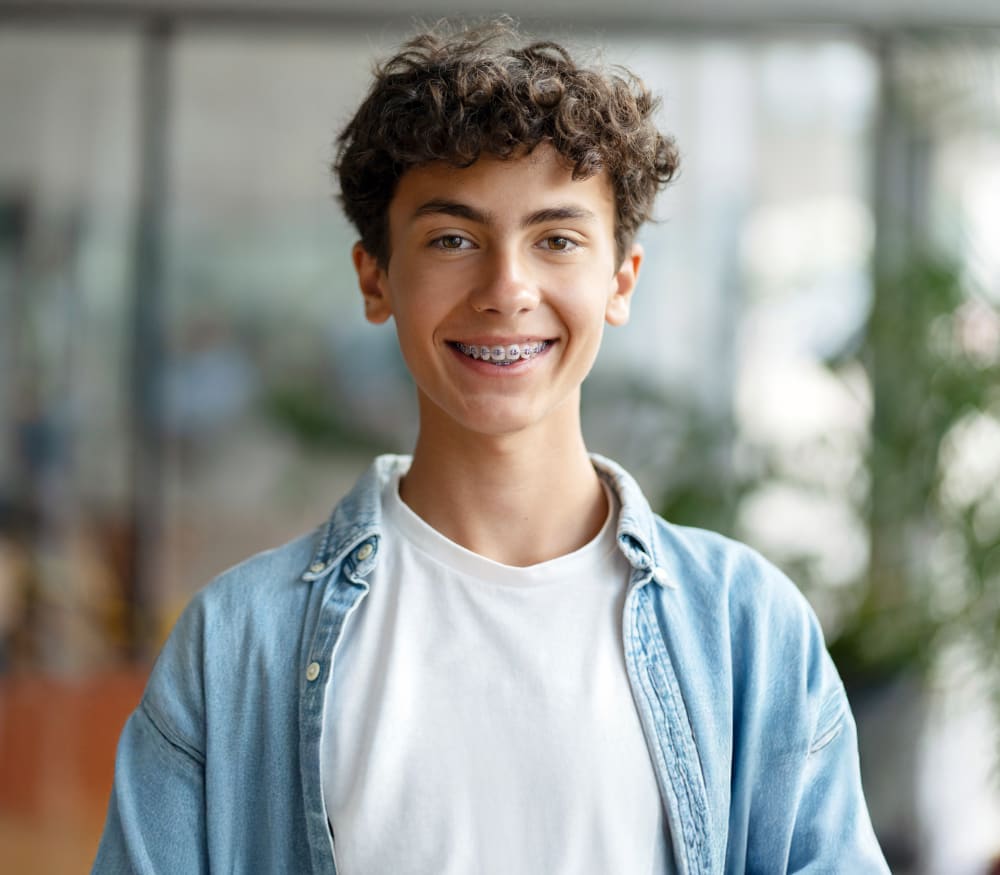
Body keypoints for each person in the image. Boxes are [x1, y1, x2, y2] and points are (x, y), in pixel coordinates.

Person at [93, 19, 889, 875]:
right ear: (375, 278)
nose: (507, 289)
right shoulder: (238, 645)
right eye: (452, 239)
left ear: (620, 281)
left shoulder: (747, 632)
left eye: (557, 239)